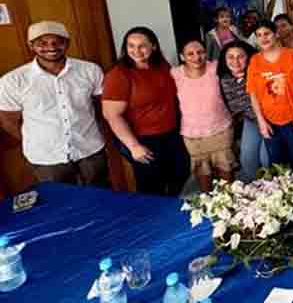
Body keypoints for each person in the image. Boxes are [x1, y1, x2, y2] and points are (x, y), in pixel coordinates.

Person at [0, 21, 109, 187]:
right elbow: (8, 120)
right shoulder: (13, 80)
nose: (51, 47)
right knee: (60, 205)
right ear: (31, 45)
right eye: (42, 43)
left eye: (58, 41)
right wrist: (35, 139)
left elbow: (102, 107)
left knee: (100, 197)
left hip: (90, 149)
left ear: (67, 43)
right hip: (46, 158)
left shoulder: (90, 71)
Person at [102, 27, 190, 196]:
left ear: (153, 46)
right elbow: (111, 115)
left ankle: (170, 210)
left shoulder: (161, 65)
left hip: (171, 133)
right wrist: (134, 146)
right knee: (152, 187)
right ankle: (156, 219)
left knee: (181, 173)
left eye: (142, 46)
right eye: (131, 46)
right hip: (142, 139)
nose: (136, 51)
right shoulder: (119, 74)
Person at [247, 20, 293, 174]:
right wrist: (261, 122)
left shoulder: (292, 55)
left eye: (267, 33)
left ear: (276, 34)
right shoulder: (255, 61)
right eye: (259, 35)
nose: (263, 38)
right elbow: (253, 93)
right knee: (277, 167)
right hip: (270, 122)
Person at [171, 40, 235, 192]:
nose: (196, 57)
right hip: (193, 136)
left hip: (221, 130)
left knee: (227, 177)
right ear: (182, 57)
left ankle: (230, 206)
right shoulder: (175, 74)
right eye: (190, 54)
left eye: (200, 52)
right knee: (203, 176)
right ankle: (210, 206)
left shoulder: (216, 68)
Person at [217, 40, 268, 183]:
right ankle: (254, 191)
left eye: (240, 56)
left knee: (266, 159)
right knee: (247, 159)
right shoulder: (225, 79)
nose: (235, 61)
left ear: (249, 57)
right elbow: (237, 107)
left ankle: (273, 189)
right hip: (251, 120)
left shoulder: (260, 72)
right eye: (230, 57)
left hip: (270, 120)